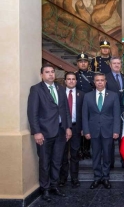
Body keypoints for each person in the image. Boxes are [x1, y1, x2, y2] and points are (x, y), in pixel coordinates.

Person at [27, 64, 72, 202]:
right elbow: (32, 112)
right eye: (47, 72)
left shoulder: (60, 88)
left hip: (60, 131)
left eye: (52, 72)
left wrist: (68, 127)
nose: (51, 74)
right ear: (42, 75)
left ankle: (54, 185)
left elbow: (65, 110)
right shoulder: (36, 89)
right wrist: (36, 132)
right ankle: (45, 189)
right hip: (44, 133)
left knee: (57, 161)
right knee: (45, 162)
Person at [82, 73, 121, 189]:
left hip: (108, 131)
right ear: (94, 82)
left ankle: (106, 178)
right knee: (96, 155)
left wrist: (116, 130)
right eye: (97, 80)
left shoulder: (113, 96)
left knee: (107, 155)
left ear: (105, 82)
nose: (100, 82)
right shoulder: (88, 96)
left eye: (102, 80)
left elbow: (116, 114)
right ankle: (97, 177)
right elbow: (84, 115)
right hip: (93, 131)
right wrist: (86, 131)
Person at [59, 72, 85, 188]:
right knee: (62, 154)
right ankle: (62, 179)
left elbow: (84, 113)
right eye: (68, 79)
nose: (71, 81)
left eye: (73, 79)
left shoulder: (82, 94)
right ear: (65, 81)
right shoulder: (59, 94)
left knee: (74, 155)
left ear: (76, 81)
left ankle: (74, 178)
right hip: (62, 128)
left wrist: (84, 128)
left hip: (76, 128)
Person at [105, 56, 124, 168]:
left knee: (123, 139)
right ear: (110, 65)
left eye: (118, 63)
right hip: (110, 113)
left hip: (123, 114)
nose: (117, 65)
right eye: (114, 63)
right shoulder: (106, 78)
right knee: (109, 142)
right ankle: (110, 164)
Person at [75, 52, 95, 159]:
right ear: (77, 64)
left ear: (88, 63)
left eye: (85, 62)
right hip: (78, 104)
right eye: (80, 62)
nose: (83, 64)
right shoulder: (74, 75)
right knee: (79, 127)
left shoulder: (93, 75)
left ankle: (87, 149)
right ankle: (80, 150)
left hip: (90, 104)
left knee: (89, 126)